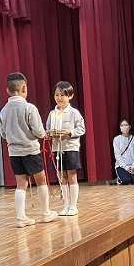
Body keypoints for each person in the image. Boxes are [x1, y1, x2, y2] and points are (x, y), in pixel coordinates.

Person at [0, 72, 58, 228]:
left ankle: (21, 217)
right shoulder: (29, 107)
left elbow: (3, 133)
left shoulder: (3, 111)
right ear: (24, 88)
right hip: (30, 150)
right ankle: (45, 213)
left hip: (14, 152)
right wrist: (44, 134)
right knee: (41, 180)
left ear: (7, 90)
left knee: (21, 184)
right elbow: (38, 131)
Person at [46, 81, 85, 216]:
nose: (59, 98)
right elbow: (48, 129)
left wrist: (69, 132)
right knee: (62, 177)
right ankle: (66, 205)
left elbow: (81, 129)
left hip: (71, 148)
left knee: (72, 176)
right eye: (56, 95)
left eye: (62, 95)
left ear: (70, 96)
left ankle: (73, 206)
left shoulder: (74, 113)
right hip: (57, 148)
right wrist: (49, 134)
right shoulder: (52, 113)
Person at [113, 120, 134, 185]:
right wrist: (126, 167)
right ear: (120, 127)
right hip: (122, 166)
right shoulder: (116, 139)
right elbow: (117, 156)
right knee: (126, 180)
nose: (124, 127)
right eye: (122, 125)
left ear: (129, 126)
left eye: (126, 125)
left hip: (133, 165)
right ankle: (119, 179)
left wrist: (133, 166)